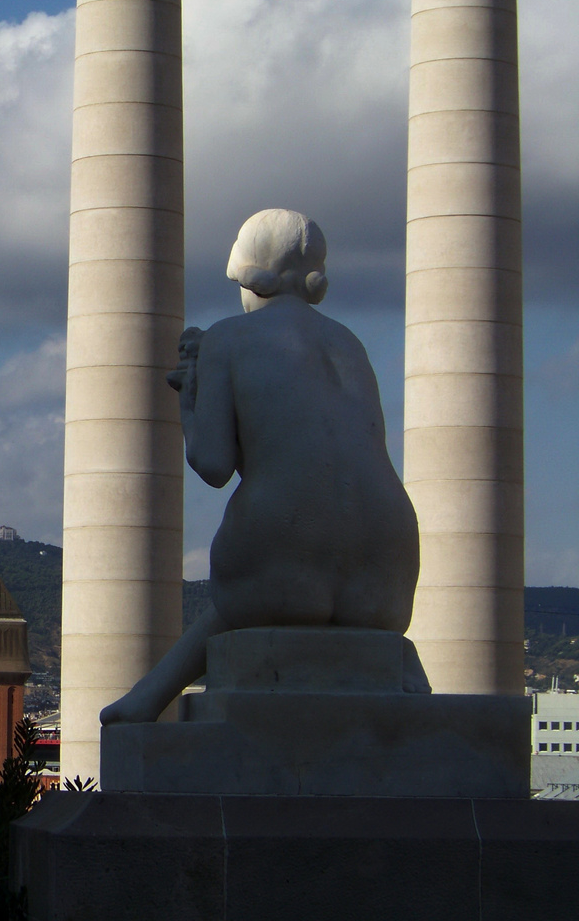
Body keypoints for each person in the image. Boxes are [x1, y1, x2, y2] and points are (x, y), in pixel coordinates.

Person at [100, 209, 426, 726]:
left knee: (242, 601)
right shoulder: (351, 345)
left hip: (284, 544)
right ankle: (410, 677)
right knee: (339, 610)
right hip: (389, 565)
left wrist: (190, 398)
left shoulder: (228, 339)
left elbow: (213, 464)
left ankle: (147, 696)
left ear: (250, 278)